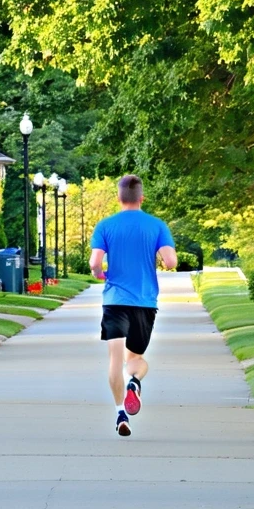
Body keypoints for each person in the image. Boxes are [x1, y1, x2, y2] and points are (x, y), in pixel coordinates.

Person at [90, 175, 177, 436]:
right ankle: (134, 383)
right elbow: (171, 261)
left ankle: (120, 414)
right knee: (136, 359)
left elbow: (95, 262)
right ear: (142, 198)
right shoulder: (156, 225)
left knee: (115, 362)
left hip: (115, 301)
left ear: (118, 198)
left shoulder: (105, 225)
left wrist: (99, 273)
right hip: (144, 303)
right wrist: (161, 261)